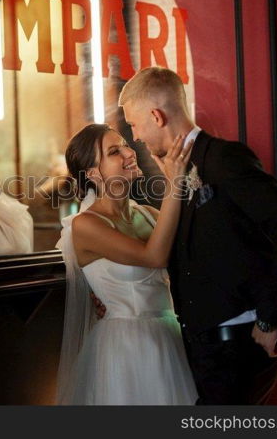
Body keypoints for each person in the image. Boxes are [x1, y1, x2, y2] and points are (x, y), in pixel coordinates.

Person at [117, 66, 277, 404]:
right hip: (206, 348)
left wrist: (268, 320)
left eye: (134, 124)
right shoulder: (174, 170)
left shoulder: (223, 158)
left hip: (237, 346)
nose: (136, 136)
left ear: (156, 117)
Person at [56, 123, 198, 405]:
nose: (129, 152)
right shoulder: (85, 225)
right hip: (125, 345)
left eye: (124, 145)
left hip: (169, 337)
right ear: (93, 174)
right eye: (114, 151)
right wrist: (174, 183)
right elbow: (152, 257)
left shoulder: (148, 214)